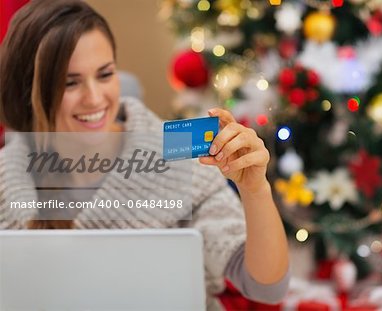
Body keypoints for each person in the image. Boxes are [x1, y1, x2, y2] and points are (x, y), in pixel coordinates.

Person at [0, 0, 290, 309]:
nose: (95, 98)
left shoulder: (177, 147)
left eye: (105, 74)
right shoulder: (8, 175)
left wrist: (255, 190)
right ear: (28, 89)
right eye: (70, 83)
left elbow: (266, 287)